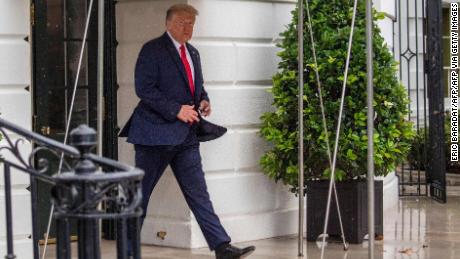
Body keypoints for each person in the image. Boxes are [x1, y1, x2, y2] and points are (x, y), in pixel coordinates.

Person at [120, 4, 255, 259]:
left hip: (186, 136)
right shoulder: (152, 50)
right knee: (140, 195)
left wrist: (204, 99)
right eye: (183, 22)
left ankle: (221, 246)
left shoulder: (193, 52)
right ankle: (126, 251)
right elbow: (144, 89)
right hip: (154, 136)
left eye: (192, 23)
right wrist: (176, 110)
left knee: (199, 194)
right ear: (168, 23)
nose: (188, 28)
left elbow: (196, 87)